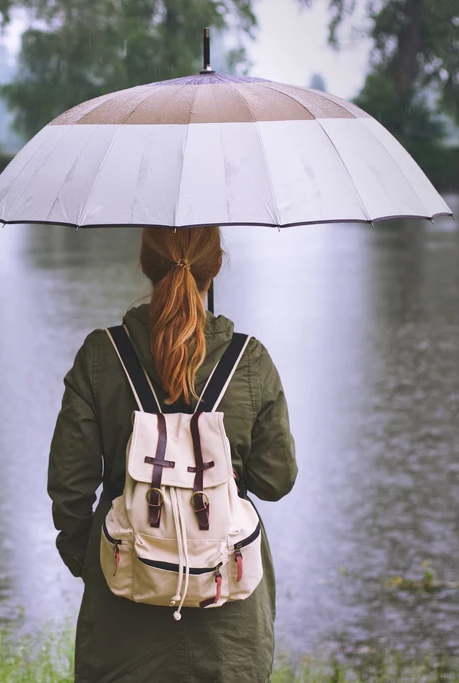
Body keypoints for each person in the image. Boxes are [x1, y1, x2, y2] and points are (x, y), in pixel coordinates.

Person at [47, 226, 297, 682]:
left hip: (122, 594)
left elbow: (70, 485)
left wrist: (90, 562)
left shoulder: (102, 354)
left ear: (145, 264)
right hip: (229, 609)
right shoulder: (249, 360)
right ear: (215, 266)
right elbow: (275, 480)